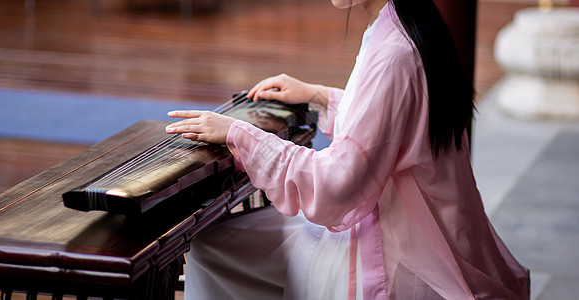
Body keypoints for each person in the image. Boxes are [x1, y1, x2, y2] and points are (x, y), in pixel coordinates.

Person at [165, 0, 531, 298]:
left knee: (213, 251)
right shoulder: (408, 22)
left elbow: (340, 183)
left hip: (393, 253)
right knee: (215, 249)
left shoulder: (393, 53)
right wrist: (319, 96)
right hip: (403, 226)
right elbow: (388, 127)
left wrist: (240, 135)